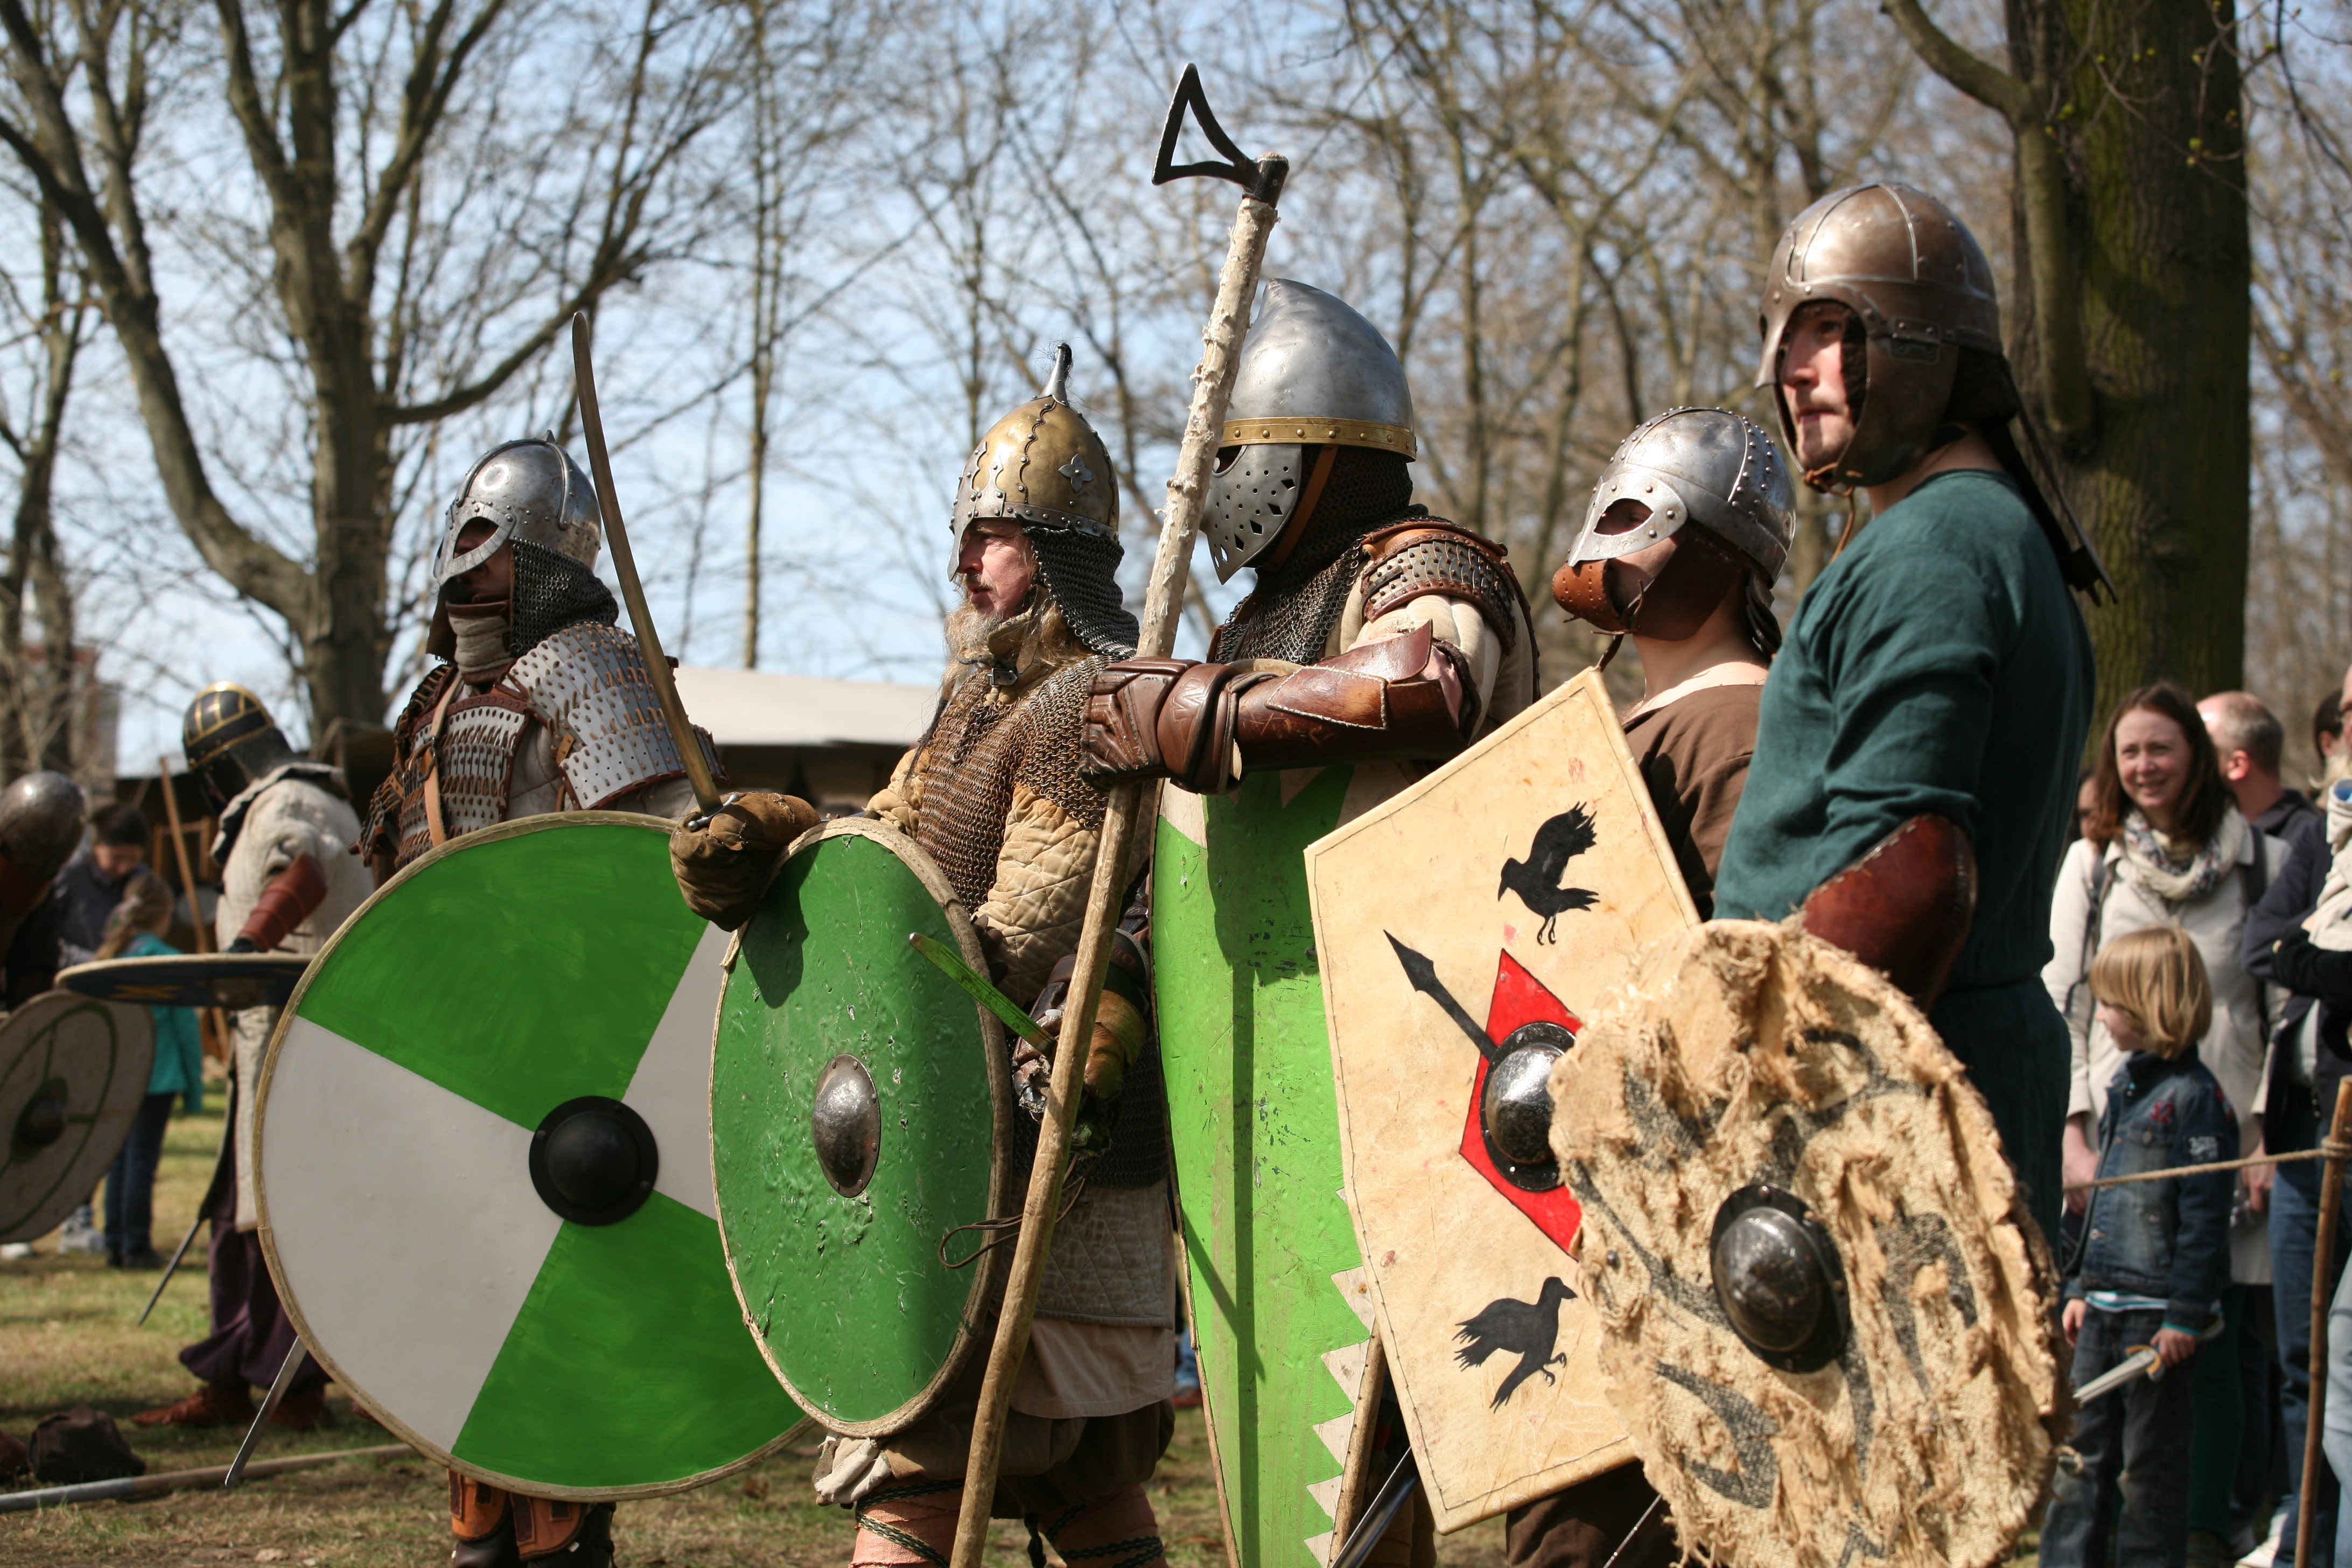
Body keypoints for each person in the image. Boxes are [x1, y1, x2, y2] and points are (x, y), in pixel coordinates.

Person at [671, 347, 1179, 1568]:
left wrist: (891, 987)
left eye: (992, 536)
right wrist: (779, 847)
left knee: (941, 1465)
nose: (966, 560)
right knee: (1081, 1489)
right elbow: (885, 848)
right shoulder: (972, 700)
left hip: (1044, 1140)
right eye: (967, 534)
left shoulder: (1083, 706)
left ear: (1055, 554)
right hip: (973, 1135)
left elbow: (1016, 932)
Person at [1082, 281, 1538, 1568]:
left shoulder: (1427, 567)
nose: (1218, 486)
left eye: (1240, 454)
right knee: (1287, 1466)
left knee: (1368, 1460)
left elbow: (1426, 685)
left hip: (1414, 1071)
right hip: (1271, 1099)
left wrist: (1205, 713)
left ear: (1313, 452)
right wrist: (1120, 984)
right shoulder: (1245, 627)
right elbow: (1190, 872)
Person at [1712, 181, 2105, 1249]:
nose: (1792, 370)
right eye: (1786, 338)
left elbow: (1907, 875)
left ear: (1928, 350)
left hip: (1883, 1126)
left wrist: (1764, 1096)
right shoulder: (1985, 535)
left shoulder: (1932, 548)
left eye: (1831, 331)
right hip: (1944, 1083)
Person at [355, 437, 717, 1568]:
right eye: (461, 537)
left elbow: (663, 860)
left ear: (547, 557)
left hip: (574, 1052)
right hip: (456, 1044)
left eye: (490, 540)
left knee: (555, 1313)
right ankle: (479, 1531)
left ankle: (562, 1534)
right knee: (463, 1303)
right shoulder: (435, 697)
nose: (466, 564)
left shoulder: (592, 669)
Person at [1520, 405, 1794, 1568]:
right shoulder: (1628, 722)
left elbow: (1747, 990)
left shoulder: (1744, 723)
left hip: (1679, 1216)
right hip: (1587, 1191)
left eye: (1640, 516)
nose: (1607, 540)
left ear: (1716, 553)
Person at [2047, 681, 2287, 1559]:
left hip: (2219, 1130)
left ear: (2196, 754)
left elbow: (2273, 1008)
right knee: (2106, 1392)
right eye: (2129, 752)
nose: (2144, 766)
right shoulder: (2093, 862)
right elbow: (2065, 1002)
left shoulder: (2258, 860)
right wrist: (2073, 1132)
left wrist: (2259, 1135)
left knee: (2213, 1342)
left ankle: (2204, 1530)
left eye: (2161, 748)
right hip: (2116, 1132)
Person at [136, 683, 370, 1433]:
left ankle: (285, 1385)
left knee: (272, 1215)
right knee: (238, 1210)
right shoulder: (298, 799)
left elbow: (302, 870)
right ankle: (237, 1379)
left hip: (295, 1039)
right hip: (274, 1036)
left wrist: (247, 946)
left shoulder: (290, 805)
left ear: (218, 768)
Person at [2041, 926, 2237, 1568]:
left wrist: (2185, 1313)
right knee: (2079, 1457)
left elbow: (2204, 1219)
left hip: (2154, 1322)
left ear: (2150, 1007)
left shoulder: (2197, 1100)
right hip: (2101, 1309)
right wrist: (2079, 1287)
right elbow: (2105, 1199)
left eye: (2111, 1005)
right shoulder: (2124, 1086)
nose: (2099, 1018)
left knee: (2149, 1470)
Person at [95, 870, 201, 1270]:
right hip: (159, 1077)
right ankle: (137, 1247)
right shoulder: (169, 963)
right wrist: (194, 1091)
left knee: (118, 1160)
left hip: (117, 1078)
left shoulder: (109, 959)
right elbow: (187, 1033)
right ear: (166, 914)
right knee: (142, 1161)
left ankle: (115, 1243)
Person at [53, 802, 147, 965]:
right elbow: (44, 940)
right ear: (97, 845)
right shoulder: (70, 874)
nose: (124, 868)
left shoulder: (141, 878)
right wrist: (96, 963)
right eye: (117, 858)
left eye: (133, 860)